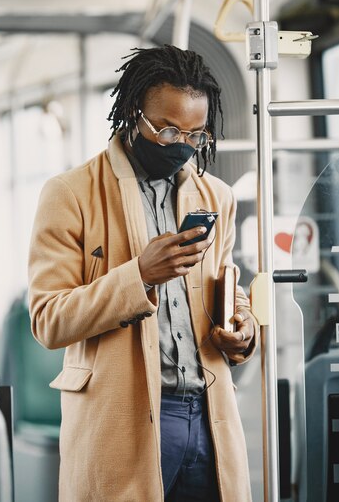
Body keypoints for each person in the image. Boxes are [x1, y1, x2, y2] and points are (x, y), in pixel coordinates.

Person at [28, 45, 258, 502]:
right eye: (168, 130)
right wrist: (139, 277)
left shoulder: (216, 197)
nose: (182, 145)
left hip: (210, 413)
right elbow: (48, 320)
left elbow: (230, 290)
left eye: (196, 134)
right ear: (134, 114)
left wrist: (243, 330)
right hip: (123, 416)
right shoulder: (70, 194)